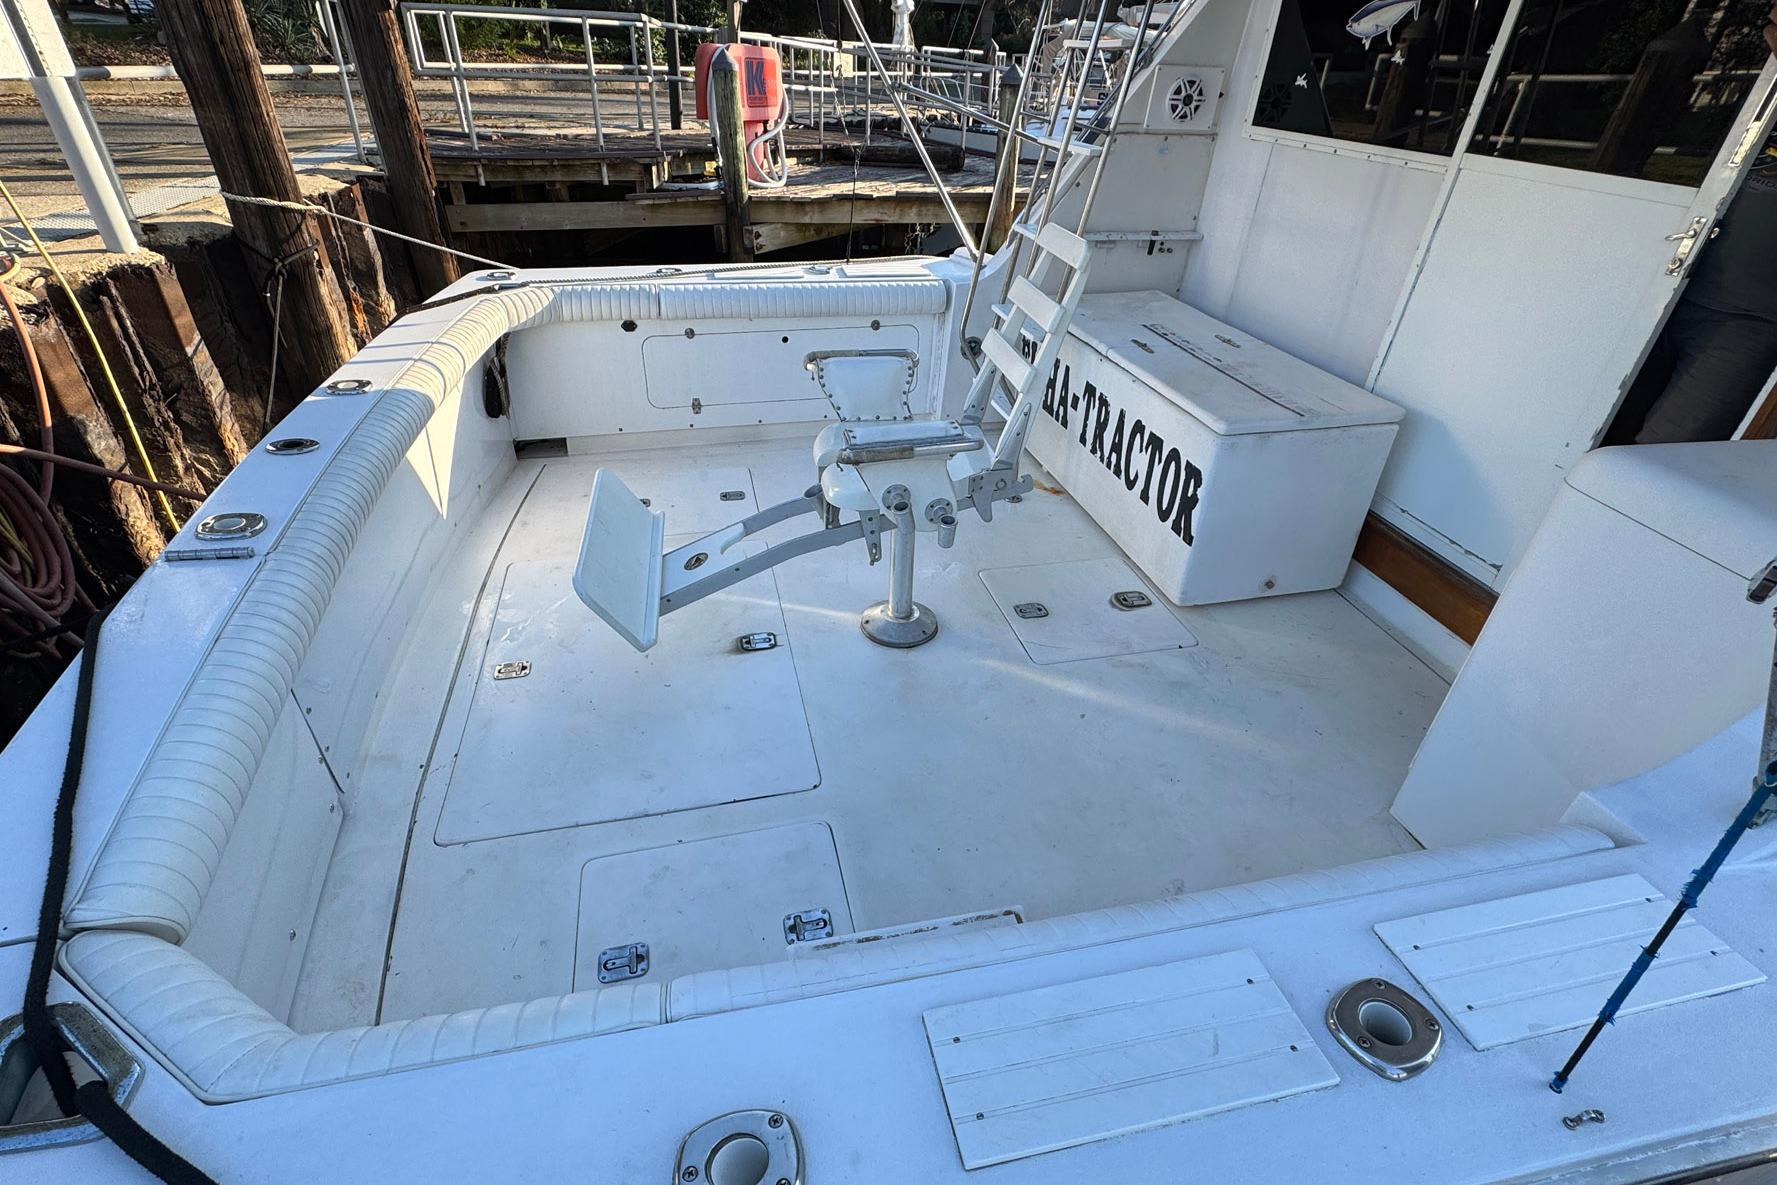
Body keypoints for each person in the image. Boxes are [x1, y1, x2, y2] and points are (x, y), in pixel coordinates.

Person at [1613, 7, 1777, 444]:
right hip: (1667, 287)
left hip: (1750, 322)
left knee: (1662, 453)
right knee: (1594, 423)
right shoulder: (1759, 88)